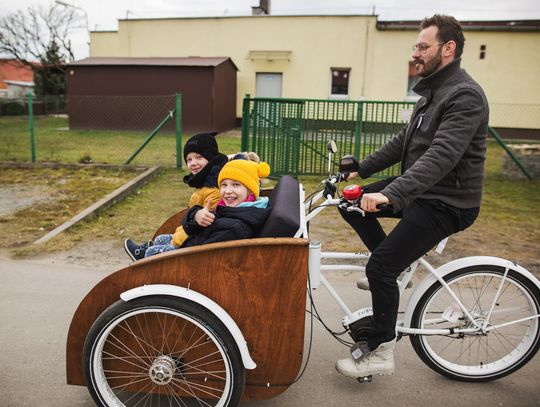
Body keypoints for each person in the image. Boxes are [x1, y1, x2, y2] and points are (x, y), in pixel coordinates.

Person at [335, 14, 489, 379]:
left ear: (448, 48)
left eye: (423, 46)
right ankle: (399, 264)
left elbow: (442, 157)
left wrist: (391, 194)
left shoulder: (464, 95)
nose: (416, 53)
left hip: (448, 202)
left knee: (379, 268)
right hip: (422, 190)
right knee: (350, 205)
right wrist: (361, 168)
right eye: (415, 46)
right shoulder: (432, 92)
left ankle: (381, 349)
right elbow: (404, 142)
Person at [124, 131, 228, 260]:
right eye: (189, 159)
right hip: (189, 236)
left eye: (199, 157)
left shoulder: (214, 190)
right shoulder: (205, 184)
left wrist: (176, 242)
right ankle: (146, 251)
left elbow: (200, 227)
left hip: (196, 244)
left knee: (152, 253)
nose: (193, 163)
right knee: (160, 239)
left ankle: (144, 259)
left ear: (211, 159)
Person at [146, 159, 271, 255]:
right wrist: (197, 216)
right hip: (196, 244)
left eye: (236, 185)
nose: (228, 191)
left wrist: (181, 243)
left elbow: (204, 253)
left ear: (250, 191)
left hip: (194, 258)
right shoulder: (230, 209)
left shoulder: (236, 225)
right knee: (160, 239)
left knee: (151, 253)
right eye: (224, 185)